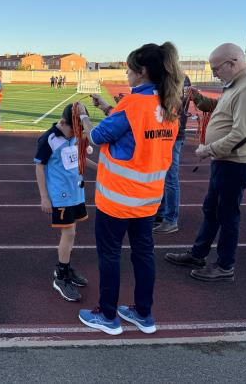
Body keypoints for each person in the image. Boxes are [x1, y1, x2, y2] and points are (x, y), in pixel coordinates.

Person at [77, 42, 183, 335]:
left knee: (110, 256)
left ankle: (108, 316)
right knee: (144, 254)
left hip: (118, 198)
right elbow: (138, 130)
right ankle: (143, 313)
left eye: (129, 69)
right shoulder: (170, 103)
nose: (126, 74)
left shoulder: (133, 104)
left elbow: (97, 136)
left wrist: (85, 115)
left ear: (142, 71)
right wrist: (109, 109)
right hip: (149, 198)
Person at [165, 43, 246, 282]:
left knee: (228, 214)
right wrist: (201, 100)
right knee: (212, 210)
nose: (214, 74)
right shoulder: (236, 83)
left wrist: (207, 150)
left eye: (216, 68)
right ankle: (198, 254)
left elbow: (241, 134)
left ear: (232, 63)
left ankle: (224, 265)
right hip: (226, 161)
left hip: (236, 163)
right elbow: (222, 109)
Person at [35, 103, 97, 302]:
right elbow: (39, 167)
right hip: (60, 194)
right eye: (72, 130)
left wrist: (103, 170)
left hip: (76, 191)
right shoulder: (49, 139)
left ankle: (65, 266)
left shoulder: (75, 135)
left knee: (72, 232)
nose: (74, 135)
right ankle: (61, 276)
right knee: (68, 232)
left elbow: (80, 158)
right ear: (62, 123)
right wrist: (44, 196)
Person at [154, 75, 192, 233]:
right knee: (163, 175)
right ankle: (162, 212)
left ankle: (171, 219)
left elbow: (172, 106)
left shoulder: (178, 79)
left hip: (173, 135)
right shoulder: (180, 78)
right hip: (166, 133)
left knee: (170, 177)